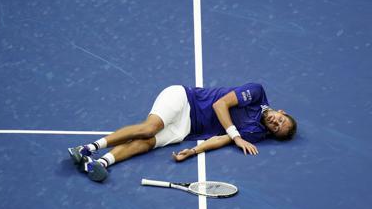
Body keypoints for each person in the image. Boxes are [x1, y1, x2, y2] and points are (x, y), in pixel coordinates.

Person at [68, 83, 297, 182]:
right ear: (282, 111)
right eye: (281, 119)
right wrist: (237, 136)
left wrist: (193, 151)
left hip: (186, 129)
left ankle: (99, 164)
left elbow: (220, 139)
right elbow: (220, 106)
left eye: (277, 128)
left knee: (147, 143)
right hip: (184, 99)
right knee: (150, 128)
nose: (276, 122)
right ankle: (87, 148)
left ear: (272, 133)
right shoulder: (256, 93)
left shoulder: (257, 132)